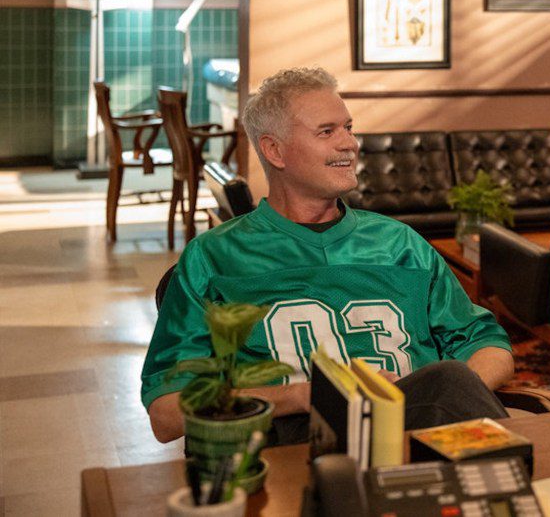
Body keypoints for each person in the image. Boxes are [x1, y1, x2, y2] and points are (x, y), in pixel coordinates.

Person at [142, 67, 514, 444]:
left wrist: (442, 398)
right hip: (291, 446)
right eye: (327, 131)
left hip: (417, 437)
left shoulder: (401, 244)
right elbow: (167, 412)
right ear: (274, 150)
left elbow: (488, 345)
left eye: (348, 128)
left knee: (450, 379)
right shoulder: (213, 258)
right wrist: (304, 396)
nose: (349, 144)